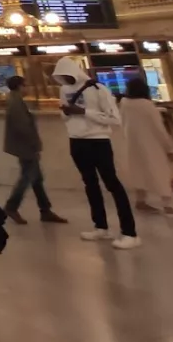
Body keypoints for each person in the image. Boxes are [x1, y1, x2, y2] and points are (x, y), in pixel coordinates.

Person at [52, 56, 139, 249]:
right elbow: (64, 116)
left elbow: (114, 119)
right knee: (90, 184)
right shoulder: (64, 90)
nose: (65, 80)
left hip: (98, 141)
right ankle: (100, 226)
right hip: (76, 141)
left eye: (67, 75)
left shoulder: (99, 89)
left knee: (112, 183)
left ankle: (129, 231)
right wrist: (67, 113)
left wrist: (84, 112)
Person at [2, 75, 67, 225]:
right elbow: (23, 127)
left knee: (37, 179)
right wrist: (34, 145)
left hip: (24, 146)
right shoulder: (16, 102)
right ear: (19, 86)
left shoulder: (14, 100)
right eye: (26, 85)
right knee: (27, 178)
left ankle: (45, 210)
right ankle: (11, 206)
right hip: (26, 147)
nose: (27, 88)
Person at [120, 77, 173, 214]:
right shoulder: (147, 105)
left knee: (138, 171)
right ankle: (167, 204)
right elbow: (159, 129)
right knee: (160, 172)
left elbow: (122, 122)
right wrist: (171, 148)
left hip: (132, 143)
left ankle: (141, 200)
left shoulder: (124, 103)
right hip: (151, 144)